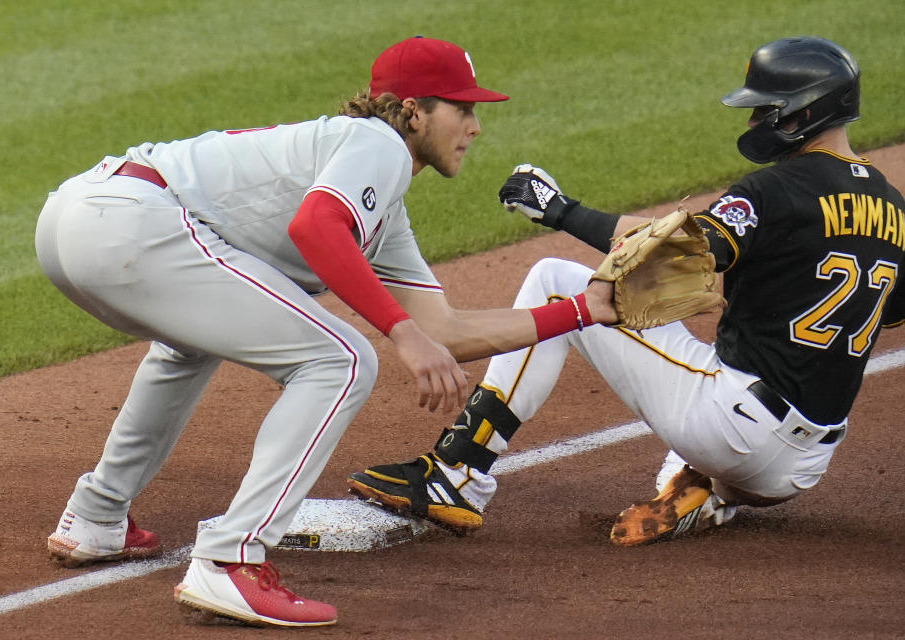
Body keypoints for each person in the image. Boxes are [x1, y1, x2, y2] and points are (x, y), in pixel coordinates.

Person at [36, 36, 619, 628]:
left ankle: (97, 515)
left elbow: (445, 331)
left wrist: (583, 310)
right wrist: (399, 334)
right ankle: (231, 559)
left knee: (189, 346)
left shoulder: (379, 199)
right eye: (461, 108)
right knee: (340, 360)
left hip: (82, 220)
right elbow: (317, 227)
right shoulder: (378, 143)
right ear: (413, 110)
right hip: (132, 221)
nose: (474, 126)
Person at [348, 36, 905, 547]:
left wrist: (562, 211)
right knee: (723, 368)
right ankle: (701, 490)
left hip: (737, 431)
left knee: (557, 283)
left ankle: (456, 477)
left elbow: (674, 253)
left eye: (764, 110)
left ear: (801, 113)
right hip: (805, 465)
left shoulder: (779, 189)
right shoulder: (897, 209)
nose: (752, 122)